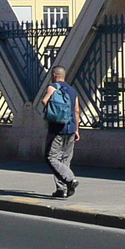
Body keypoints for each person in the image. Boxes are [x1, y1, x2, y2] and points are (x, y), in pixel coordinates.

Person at [39, 66, 81, 198]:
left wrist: (52, 114)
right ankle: (61, 190)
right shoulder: (72, 90)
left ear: (54, 75)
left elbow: (44, 101)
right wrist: (77, 130)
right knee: (65, 159)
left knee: (51, 157)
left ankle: (69, 179)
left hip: (57, 128)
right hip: (71, 128)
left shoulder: (53, 87)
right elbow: (77, 111)